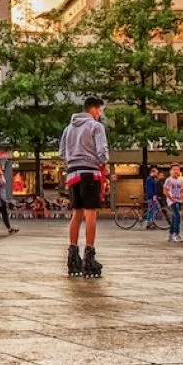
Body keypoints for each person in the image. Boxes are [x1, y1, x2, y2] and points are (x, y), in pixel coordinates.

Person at [60, 97, 109, 277]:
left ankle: (73, 255)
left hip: (73, 173)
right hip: (90, 172)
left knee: (77, 213)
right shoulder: (96, 126)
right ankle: (89, 255)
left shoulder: (68, 128)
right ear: (94, 109)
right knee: (90, 213)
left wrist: (73, 159)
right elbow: (102, 151)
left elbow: (62, 153)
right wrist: (101, 161)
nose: (100, 113)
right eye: (100, 110)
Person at [164, 164, 183, 243]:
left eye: (177, 170)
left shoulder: (180, 180)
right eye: (174, 169)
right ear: (171, 171)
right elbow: (165, 191)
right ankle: (176, 234)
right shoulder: (169, 180)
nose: (176, 171)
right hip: (172, 202)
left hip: (178, 201)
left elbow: (182, 190)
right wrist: (171, 198)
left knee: (174, 217)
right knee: (177, 216)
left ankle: (171, 234)